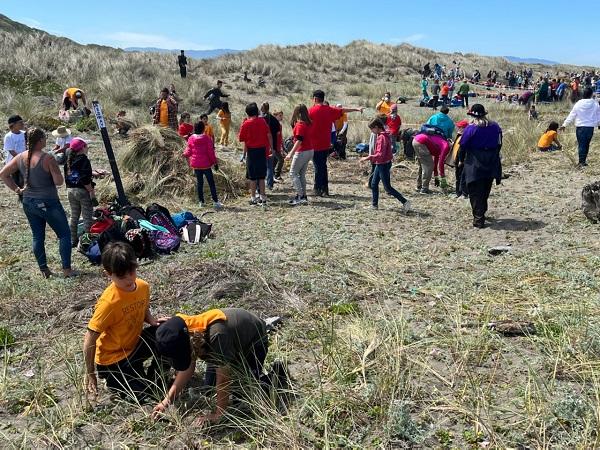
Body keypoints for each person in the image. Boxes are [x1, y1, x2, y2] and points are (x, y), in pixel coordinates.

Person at [152, 308, 269, 425]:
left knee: (242, 397)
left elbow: (224, 380)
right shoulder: (184, 330)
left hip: (252, 342)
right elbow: (187, 369)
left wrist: (218, 415)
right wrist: (166, 401)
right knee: (209, 388)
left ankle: (277, 377)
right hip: (224, 346)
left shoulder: (217, 336)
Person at [83, 242, 164, 401]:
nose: (129, 278)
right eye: (121, 275)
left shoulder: (143, 286)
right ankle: (113, 380)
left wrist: (151, 320)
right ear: (108, 274)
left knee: (167, 332)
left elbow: (143, 306)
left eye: (131, 271)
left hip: (133, 346)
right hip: (112, 359)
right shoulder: (109, 303)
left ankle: (155, 374)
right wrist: (90, 373)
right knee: (144, 396)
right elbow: (89, 338)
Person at [0, 128, 76, 278]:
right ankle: (67, 270)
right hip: (48, 202)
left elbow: (3, 174)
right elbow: (59, 182)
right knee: (64, 235)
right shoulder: (47, 158)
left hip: (28, 202)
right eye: (45, 137)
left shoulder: (20, 157)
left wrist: (17, 189)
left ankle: (44, 270)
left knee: (37, 236)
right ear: (41, 140)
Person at [309, 90, 363, 196]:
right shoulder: (329, 110)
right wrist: (356, 109)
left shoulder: (310, 111)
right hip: (326, 144)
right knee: (323, 166)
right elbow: (342, 110)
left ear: (315, 99)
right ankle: (325, 189)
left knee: (318, 167)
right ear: (323, 99)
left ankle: (317, 188)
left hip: (315, 144)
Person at [461, 104, 503, 228]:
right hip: (491, 159)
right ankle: (482, 211)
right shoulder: (495, 126)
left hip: (475, 160)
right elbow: (499, 142)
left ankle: (478, 218)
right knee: (485, 188)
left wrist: (461, 159)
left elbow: (463, 144)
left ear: (472, 115)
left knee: (474, 189)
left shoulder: (471, 128)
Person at [360, 118, 411, 212]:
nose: (371, 131)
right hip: (381, 163)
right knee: (374, 184)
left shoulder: (382, 137)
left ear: (376, 127)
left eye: (372, 129)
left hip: (383, 164)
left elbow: (380, 154)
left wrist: (367, 157)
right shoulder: (384, 135)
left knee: (387, 188)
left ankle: (405, 202)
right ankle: (374, 205)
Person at [65, 138, 97, 245]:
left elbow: (73, 176)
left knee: (74, 216)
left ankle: (73, 240)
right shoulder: (84, 160)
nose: (87, 148)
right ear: (82, 148)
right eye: (86, 146)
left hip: (70, 191)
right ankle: (87, 242)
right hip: (82, 192)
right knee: (87, 217)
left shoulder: (69, 160)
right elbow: (84, 179)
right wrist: (91, 191)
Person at [184, 121, 223, 209]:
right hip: (206, 165)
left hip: (196, 164)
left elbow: (189, 151)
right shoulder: (207, 138)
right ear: (203, 129)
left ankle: (201, 202)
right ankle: (216, 202)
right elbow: (210, 152)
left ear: (194, 128)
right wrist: (215, 163)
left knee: (200, 183)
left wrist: (183, 154)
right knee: (211, 183)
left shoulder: (191, 138)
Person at [238, 102, 271, 205]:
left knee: (252, 176)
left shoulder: (246, 123)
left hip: (251, 151)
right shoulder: (262, 121)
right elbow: (268, 134)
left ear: (247, 113)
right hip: (262, 150)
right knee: (261, 176)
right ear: (257, 112)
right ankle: (263, 196)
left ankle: (253, 197)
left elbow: (241, 138)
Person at [560, 87, 600, 168]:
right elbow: (598, 115)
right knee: (586, 144)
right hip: (590, 127)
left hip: (580, 127)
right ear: (591, 94)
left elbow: (572, 115)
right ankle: (583, 161)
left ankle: (581, 162)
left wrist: (564, 125)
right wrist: (599, 124)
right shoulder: (595, 103)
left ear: (583, 94)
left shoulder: (578, 103)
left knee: (581, 144)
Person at [286, 104, 313, 205]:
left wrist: (290, 154)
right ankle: (303, 195)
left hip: (302, 151)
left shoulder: (300, 124)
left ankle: (300, 196)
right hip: (310, 150)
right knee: (301, 174)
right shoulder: (308, 123)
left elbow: (299, 140)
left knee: (293, 173)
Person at [3, 115, 26, 198]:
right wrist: (21, 158)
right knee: (17, 180)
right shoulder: (9, 136)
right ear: (13, 124)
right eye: (20, 122)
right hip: (13, 161)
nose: (22, 124)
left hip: (25, 160)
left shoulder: (24, 134)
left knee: (24, 178)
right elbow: (12, 151)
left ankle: (26, 194)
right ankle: (20, 194)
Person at [260, 102, 282, 190]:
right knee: (270, 166)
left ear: (263, 108)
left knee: (262, 165)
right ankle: (270, 185)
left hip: (262, 144)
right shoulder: (274, 120)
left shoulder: (261, 119)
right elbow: (278, 133)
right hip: (272, 145)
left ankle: (260, 186)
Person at [450, 120, 469, 199]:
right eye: (458, 127)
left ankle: (463, 194)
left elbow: (462, 150)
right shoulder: (459, 135)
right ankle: (458, 193)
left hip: (462, 161)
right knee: (458, 177)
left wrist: (461, 160)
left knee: (462, 177)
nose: (458, 128)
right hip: (457, 160)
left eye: (460, 127)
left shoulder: (466, 137)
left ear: (465, 128)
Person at [273, 111, 285, 179]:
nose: (281, 117)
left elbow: (280, 136)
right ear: (275, 115)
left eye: (282, 115)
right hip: (274, 146)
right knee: (281, 160)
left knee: (275, 160)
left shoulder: (279, 125)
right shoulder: (273, 125)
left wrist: (282, 145)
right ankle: (277, 174)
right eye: (280, 115)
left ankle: (273, 174)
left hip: (278, 146)